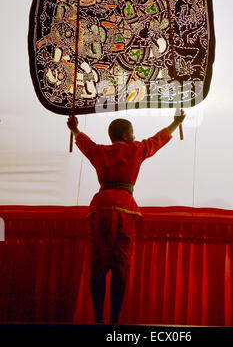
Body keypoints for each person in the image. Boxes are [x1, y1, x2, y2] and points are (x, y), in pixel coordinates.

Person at [67, 110, 185, 324]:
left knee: (98, 264)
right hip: (125, 208)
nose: (134, 136)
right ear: (125, 135)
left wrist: (75, 129)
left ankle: (98, 319)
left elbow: (86, 144)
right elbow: (157, 141)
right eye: (131, 132)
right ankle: (114, 320)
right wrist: (176, 122)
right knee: (120, 264)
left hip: (101, 207)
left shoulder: (100, 152)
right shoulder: (136, 149)